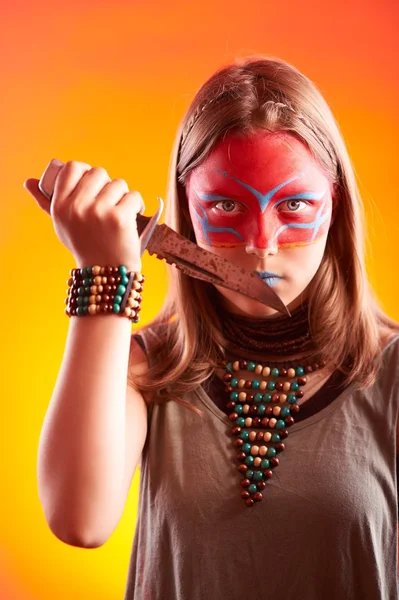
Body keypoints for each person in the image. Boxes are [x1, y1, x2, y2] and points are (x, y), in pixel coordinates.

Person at [24, 55, 399, 600]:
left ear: (336, 203)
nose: (261, 242)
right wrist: (103, 275)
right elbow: (79, 521)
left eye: (294, 204)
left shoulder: (391, 375)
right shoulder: (143, 368)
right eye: (225, 204)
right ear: (186, 208)